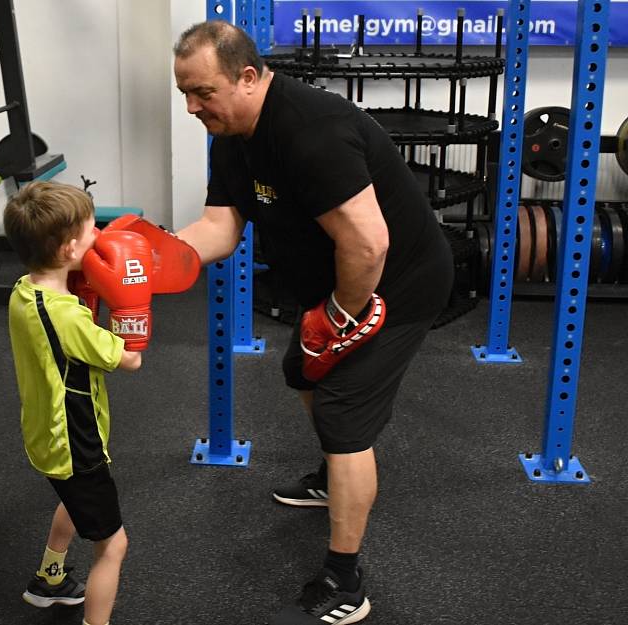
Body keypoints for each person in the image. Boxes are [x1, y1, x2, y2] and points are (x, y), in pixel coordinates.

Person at [172, 20, 454, 624]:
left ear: (247, 77)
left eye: (202, 93)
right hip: (341, 283)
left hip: (397, 284)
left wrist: (339, 320)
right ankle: (333, 478)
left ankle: (346, 580)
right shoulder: (231, 133)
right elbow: (220, 228)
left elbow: (370, 245)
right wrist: (152, 259)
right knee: (302, 370)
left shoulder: (311, 130)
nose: (193, 108)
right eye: (184, 95)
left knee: (340, 410)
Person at [4, 181, 143, 625]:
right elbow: (130, 358)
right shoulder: (68, 317)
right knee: (113, 545)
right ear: (68, 249)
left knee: (72, 499)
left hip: (46, 434)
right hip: (75, 442)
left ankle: (49, 579)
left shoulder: (25, 290)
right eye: (90, 232)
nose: (98, 236)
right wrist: (131, 306)